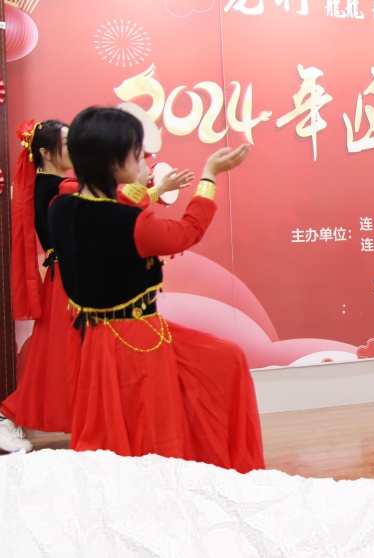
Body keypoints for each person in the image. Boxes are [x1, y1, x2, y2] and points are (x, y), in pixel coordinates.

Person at [47, 105, 265, 467]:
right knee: (150, 425)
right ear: (112, 162)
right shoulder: (132, 225)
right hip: (136, 340)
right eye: (137, 155)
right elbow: (187, 231)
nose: (144, 163)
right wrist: (209, 177)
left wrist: (156, 189)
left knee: (222, 360)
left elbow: (114, 203)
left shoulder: (62, 207)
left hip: (93, 338)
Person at [0, 120, 74, 450]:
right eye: (66, 143)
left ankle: (10, 415)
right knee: (58, 354)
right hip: (67, 279)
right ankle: (9, 415)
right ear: (45, 151)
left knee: (55, 354)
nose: (74, 148)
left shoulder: (54, 185)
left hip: (66, 277)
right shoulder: (54, 188)